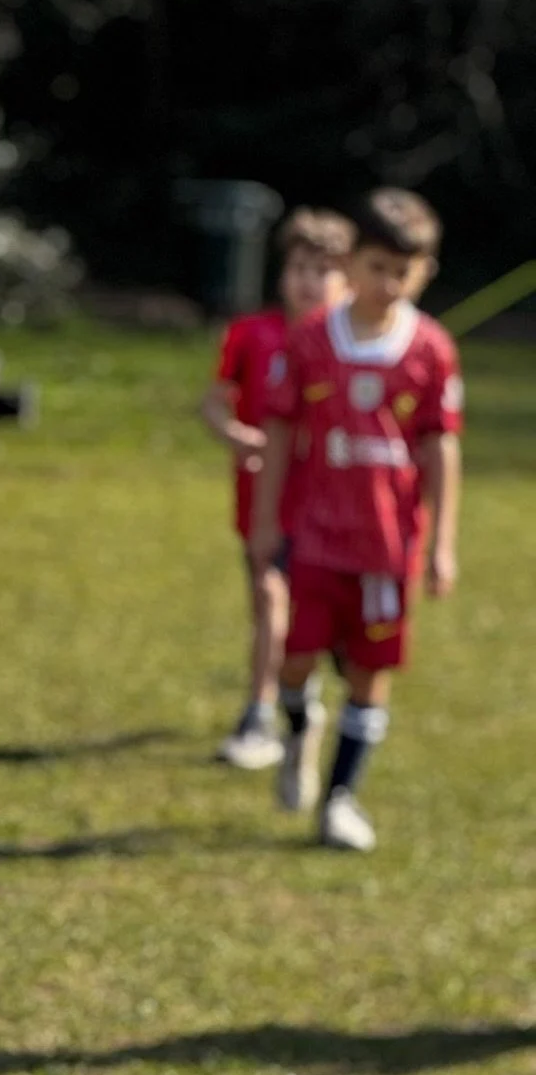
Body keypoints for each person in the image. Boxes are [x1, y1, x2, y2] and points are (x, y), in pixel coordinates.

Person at [250, 188, 463, 852]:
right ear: (353, 263)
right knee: (296, 661)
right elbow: (281, 430)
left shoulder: (430, 348)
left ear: (424, 271)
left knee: (372, 673)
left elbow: (439, 447)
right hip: (315, 539)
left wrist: (442, 545)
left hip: (387, 547)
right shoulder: (314, 337)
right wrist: (265, 520)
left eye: (405, 271)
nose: (389, 284)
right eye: (377, 267)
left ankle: (341, 799)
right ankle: (297, 733)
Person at [198, 207, 353, 768]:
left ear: (346, 282)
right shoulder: (251, 334)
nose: (307, 282)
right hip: (261, 499)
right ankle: (259, 715)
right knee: (267, 599)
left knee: (323, 622)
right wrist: (242, 438)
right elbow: (213, 403)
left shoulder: (350, 348)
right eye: (298, 267)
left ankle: (303, 702)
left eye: (322, 270)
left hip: (330, 512)